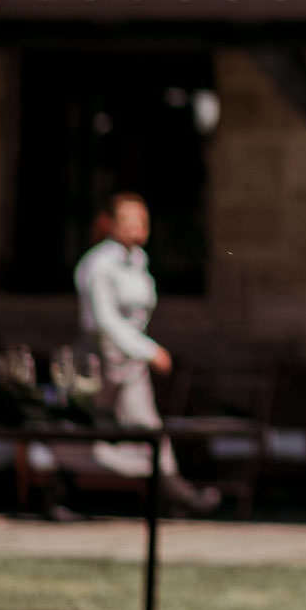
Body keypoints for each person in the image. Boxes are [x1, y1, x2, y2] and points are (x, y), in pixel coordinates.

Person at [74, 192, 220, 515]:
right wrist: (148, 350)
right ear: (111, 223)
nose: (136, 226)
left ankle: (171, 492)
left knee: (144, 426)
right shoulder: (99, 264)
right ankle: (61, 484)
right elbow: (105, 319)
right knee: (94, 428)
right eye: (127, 219)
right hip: (102, 357)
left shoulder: (138, 261)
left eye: (141, 219)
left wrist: (140, 350)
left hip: (128, 358)